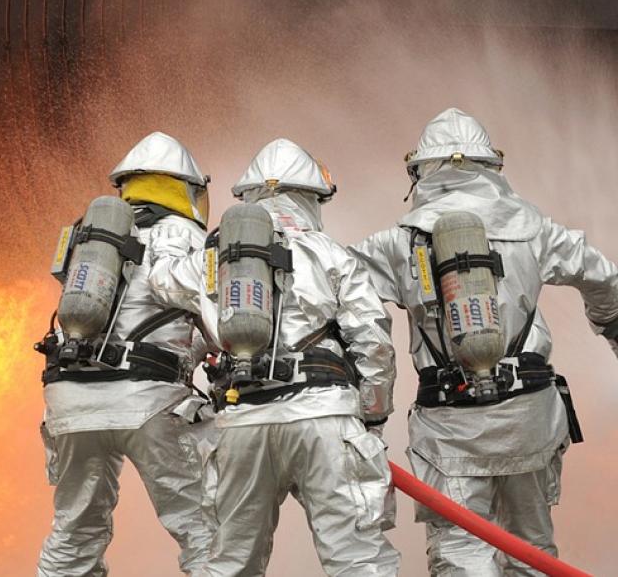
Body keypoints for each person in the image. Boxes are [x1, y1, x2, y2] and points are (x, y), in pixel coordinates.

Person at [351, 107, 618, 576]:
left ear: (421, 171)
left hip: (449, 427)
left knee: (461, 551)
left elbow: (337, 299)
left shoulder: (398, 241)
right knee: (530, 549)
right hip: (530, 419)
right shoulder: (534, 227)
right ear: (491, 167)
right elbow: (604, 279)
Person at [148, 138, 400, 577]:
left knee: (229, 564)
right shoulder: (332, 254)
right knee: (357, 561)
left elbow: (162, 282)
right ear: (310, 197)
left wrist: (169, 240)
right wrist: (371, 417)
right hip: (324, 418)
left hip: (242, 422)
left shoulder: (214, 259)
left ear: (247, 196)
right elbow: (374, 342)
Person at [37, 131, 216, 577]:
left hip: (70, 403)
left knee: (74, 533)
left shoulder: (90, 235)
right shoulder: (189, 237)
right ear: (189, 188)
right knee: (205, 531)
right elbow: (218, 323)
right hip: (149, 402)